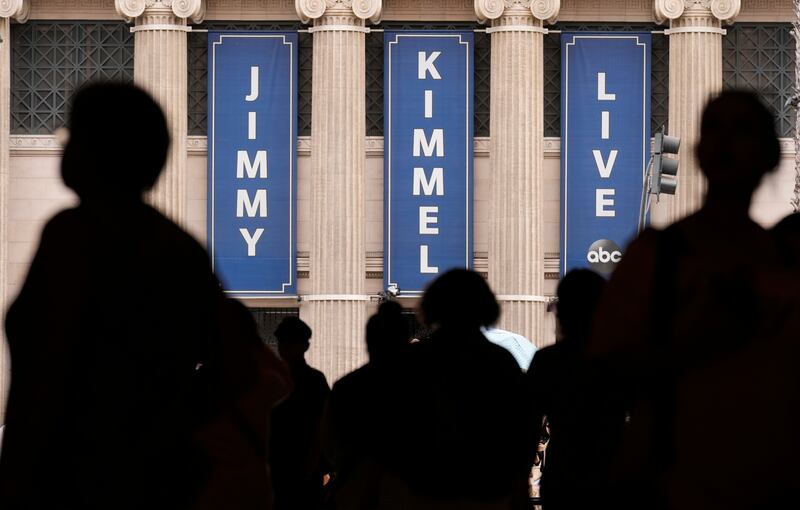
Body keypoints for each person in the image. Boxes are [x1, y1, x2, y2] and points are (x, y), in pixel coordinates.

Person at [0, 82, 289, 509]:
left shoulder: (76, 236)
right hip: (144, 479)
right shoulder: (176, 247)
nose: (65, 149)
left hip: (77, 479)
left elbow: (45, 377)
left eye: (73, 137)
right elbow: (247, 368)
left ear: (102, 151)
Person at [590, 90, 800, 510]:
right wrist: (695, 342)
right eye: (715, 130)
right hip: (677, 487)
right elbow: (603, 375)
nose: (726, 144)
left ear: (769, 156)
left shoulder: (784, 265)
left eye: (741, 131)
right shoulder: (656, 256)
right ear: (700, 152)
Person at [380, 269, 535, 509]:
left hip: (424, 491)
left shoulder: (413, 363)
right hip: (487, 492)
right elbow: (522, 431)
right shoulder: (501, 362)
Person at [526, 269, 614, 510]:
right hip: (611, 474)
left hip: (563, 475)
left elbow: (526, 428)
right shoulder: (619, 360)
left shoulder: (548, 361)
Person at [323, 300, 410, 509]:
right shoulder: (423, 385)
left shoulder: (347, 386)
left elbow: (329, 442)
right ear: (404, 342)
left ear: (369, 342)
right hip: (408, 492)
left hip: (357, 490)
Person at [269, 317, 330, 510]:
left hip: (285, 466)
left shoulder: (272, 379)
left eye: (287, 341)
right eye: (282, 342)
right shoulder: (314, 380)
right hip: (300, 469)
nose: (283, 347)